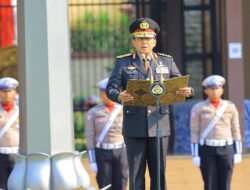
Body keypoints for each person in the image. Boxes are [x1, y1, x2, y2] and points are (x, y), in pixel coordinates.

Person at [106, 17, 193, 190]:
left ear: (154, 41)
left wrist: (189, 91)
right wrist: (119, 96)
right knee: (136, 174)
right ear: (134, 41)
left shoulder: (165, 61)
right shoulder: (123, 62)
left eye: (148, 38)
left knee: (159, 173)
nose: (144, 42)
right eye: (140, 38)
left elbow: (180, 84)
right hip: (134, 126)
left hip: (159, 124)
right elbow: (111, 89)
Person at [190, 75, 242, 190]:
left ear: (222, 90)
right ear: (206, 91)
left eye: (217, 88)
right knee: (210, 183)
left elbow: (235, 129)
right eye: (212, 89)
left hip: (226, 148)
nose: (214, 91)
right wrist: (195, 154)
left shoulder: (230, 107)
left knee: (225, 183)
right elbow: (194, 132)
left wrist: (238, 151)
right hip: (207, 149)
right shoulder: (198, 108)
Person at [86, 78, 128, 190]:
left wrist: (129, 157)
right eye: (105, 92)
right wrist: (92, 161)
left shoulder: (124, 110)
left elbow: (129, 134)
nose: (108, 95)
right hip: (102, 151)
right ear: (100, 94)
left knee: (121, 182)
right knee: (104, 183)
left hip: (121, 151)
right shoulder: (94, 112)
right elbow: (90, 137)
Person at [0, 77, 19, 190]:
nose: (7, 94)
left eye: (9, 91)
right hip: (1, 155)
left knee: (17, 186)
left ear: (14, 92)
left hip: (17, 156)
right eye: (4, 91)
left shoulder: (21, 110)